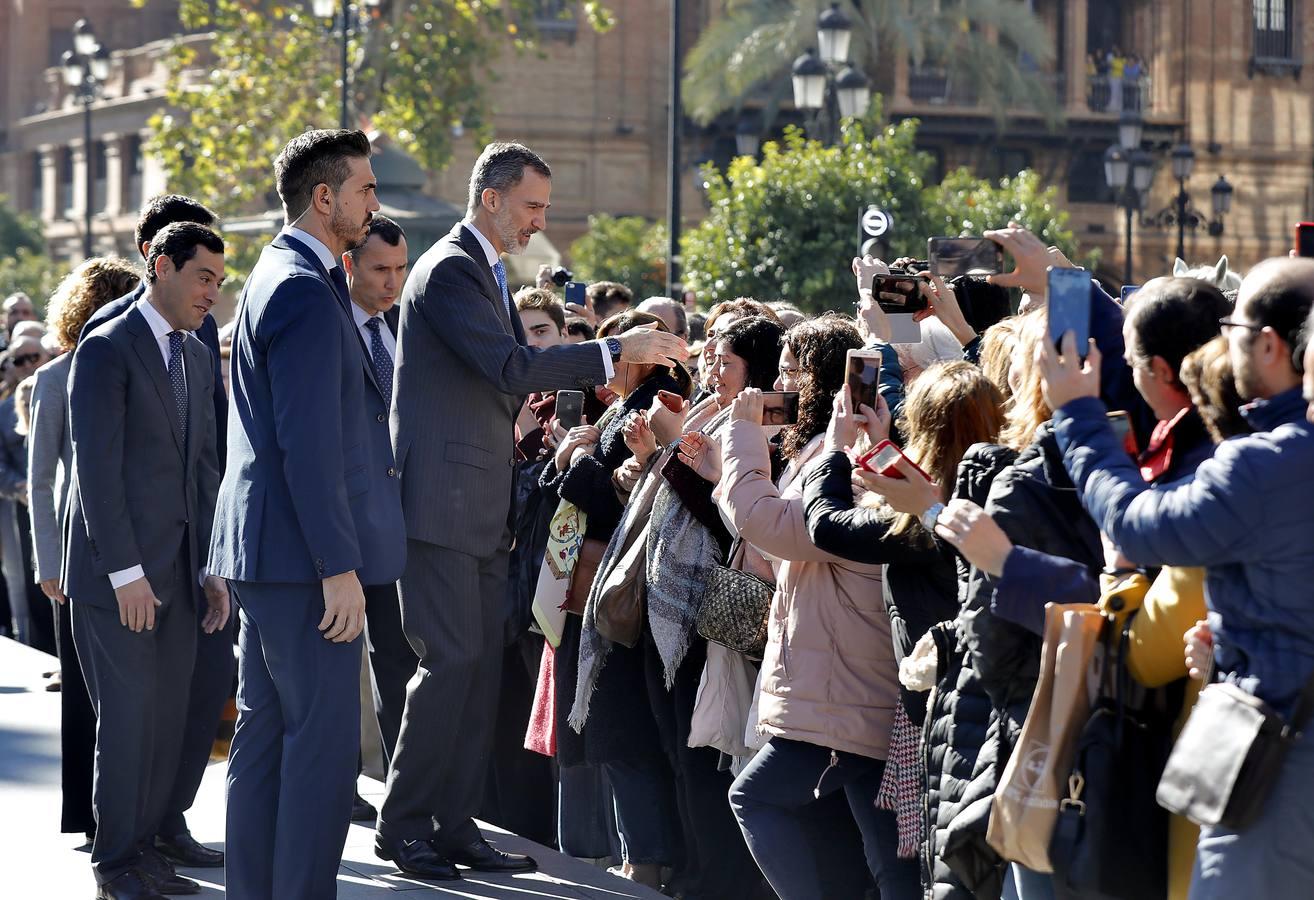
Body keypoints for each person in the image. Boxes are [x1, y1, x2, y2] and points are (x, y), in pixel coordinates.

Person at [375, 140, 685, 881]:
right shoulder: (451, 266)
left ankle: (452, 824)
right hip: (440, 507)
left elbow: (507, 384)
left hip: (476, 505)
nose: (540, 220)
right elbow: (510, 367)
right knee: (450, 666)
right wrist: (614, 354)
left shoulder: (478, 266)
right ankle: (404, 824)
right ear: (491, 198)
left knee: (476, 673)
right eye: (533, 206)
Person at [1041, 257, 1314, 900]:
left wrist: (1078, 413)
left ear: (1270, 345)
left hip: (1281, 770)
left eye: (1234, 326)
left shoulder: (1266, 465)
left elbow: (1137, 524)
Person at [210, 128, 406, 900]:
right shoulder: (302, 285)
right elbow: (309, 446)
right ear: (325, 198)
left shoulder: (281, 273)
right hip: (302, 563)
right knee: (321, 753)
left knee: (263, 739)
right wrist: (338, 566)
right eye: (364, 188)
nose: (374, 202)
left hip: (271, 556)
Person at [65, 221, 228, 900]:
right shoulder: (107, 348)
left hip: (183, 573)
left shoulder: (193, 353)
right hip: (119, 580)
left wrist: (213, 565)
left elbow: (203, 471)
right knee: (129, 724)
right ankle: (117, 862)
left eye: (219, 282)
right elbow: (97, 477)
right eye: (202, 278)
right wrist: (126, 573)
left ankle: (147, 851)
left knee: (167, 720)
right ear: (160, 266)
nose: (212, 294)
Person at [28, 256, 139, 842]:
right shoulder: (54, 378)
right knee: (82, 690)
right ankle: (87, 814)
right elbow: (41, 477)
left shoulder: (142, 367)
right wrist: (48, 562)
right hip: (74, 552)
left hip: (133, 544)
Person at [340, 213, 414, 792]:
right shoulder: (332, 326)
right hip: (342, 529)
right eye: (381, 269)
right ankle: (338, 785)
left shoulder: (399, 328)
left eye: (401, 269)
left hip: (402, 528)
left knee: (398, 660)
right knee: (339, 666)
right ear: (349, 264)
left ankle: (398, 787)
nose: (393, 282)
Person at [0, 335, 52, 650]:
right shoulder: (5, 410)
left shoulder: (68, 389)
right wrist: (19, 487)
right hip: (20, 503)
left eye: (34, 356)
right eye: (20, 360)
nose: (28, 364)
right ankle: (37, 646)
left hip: (59, 502)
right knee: (27, 580)